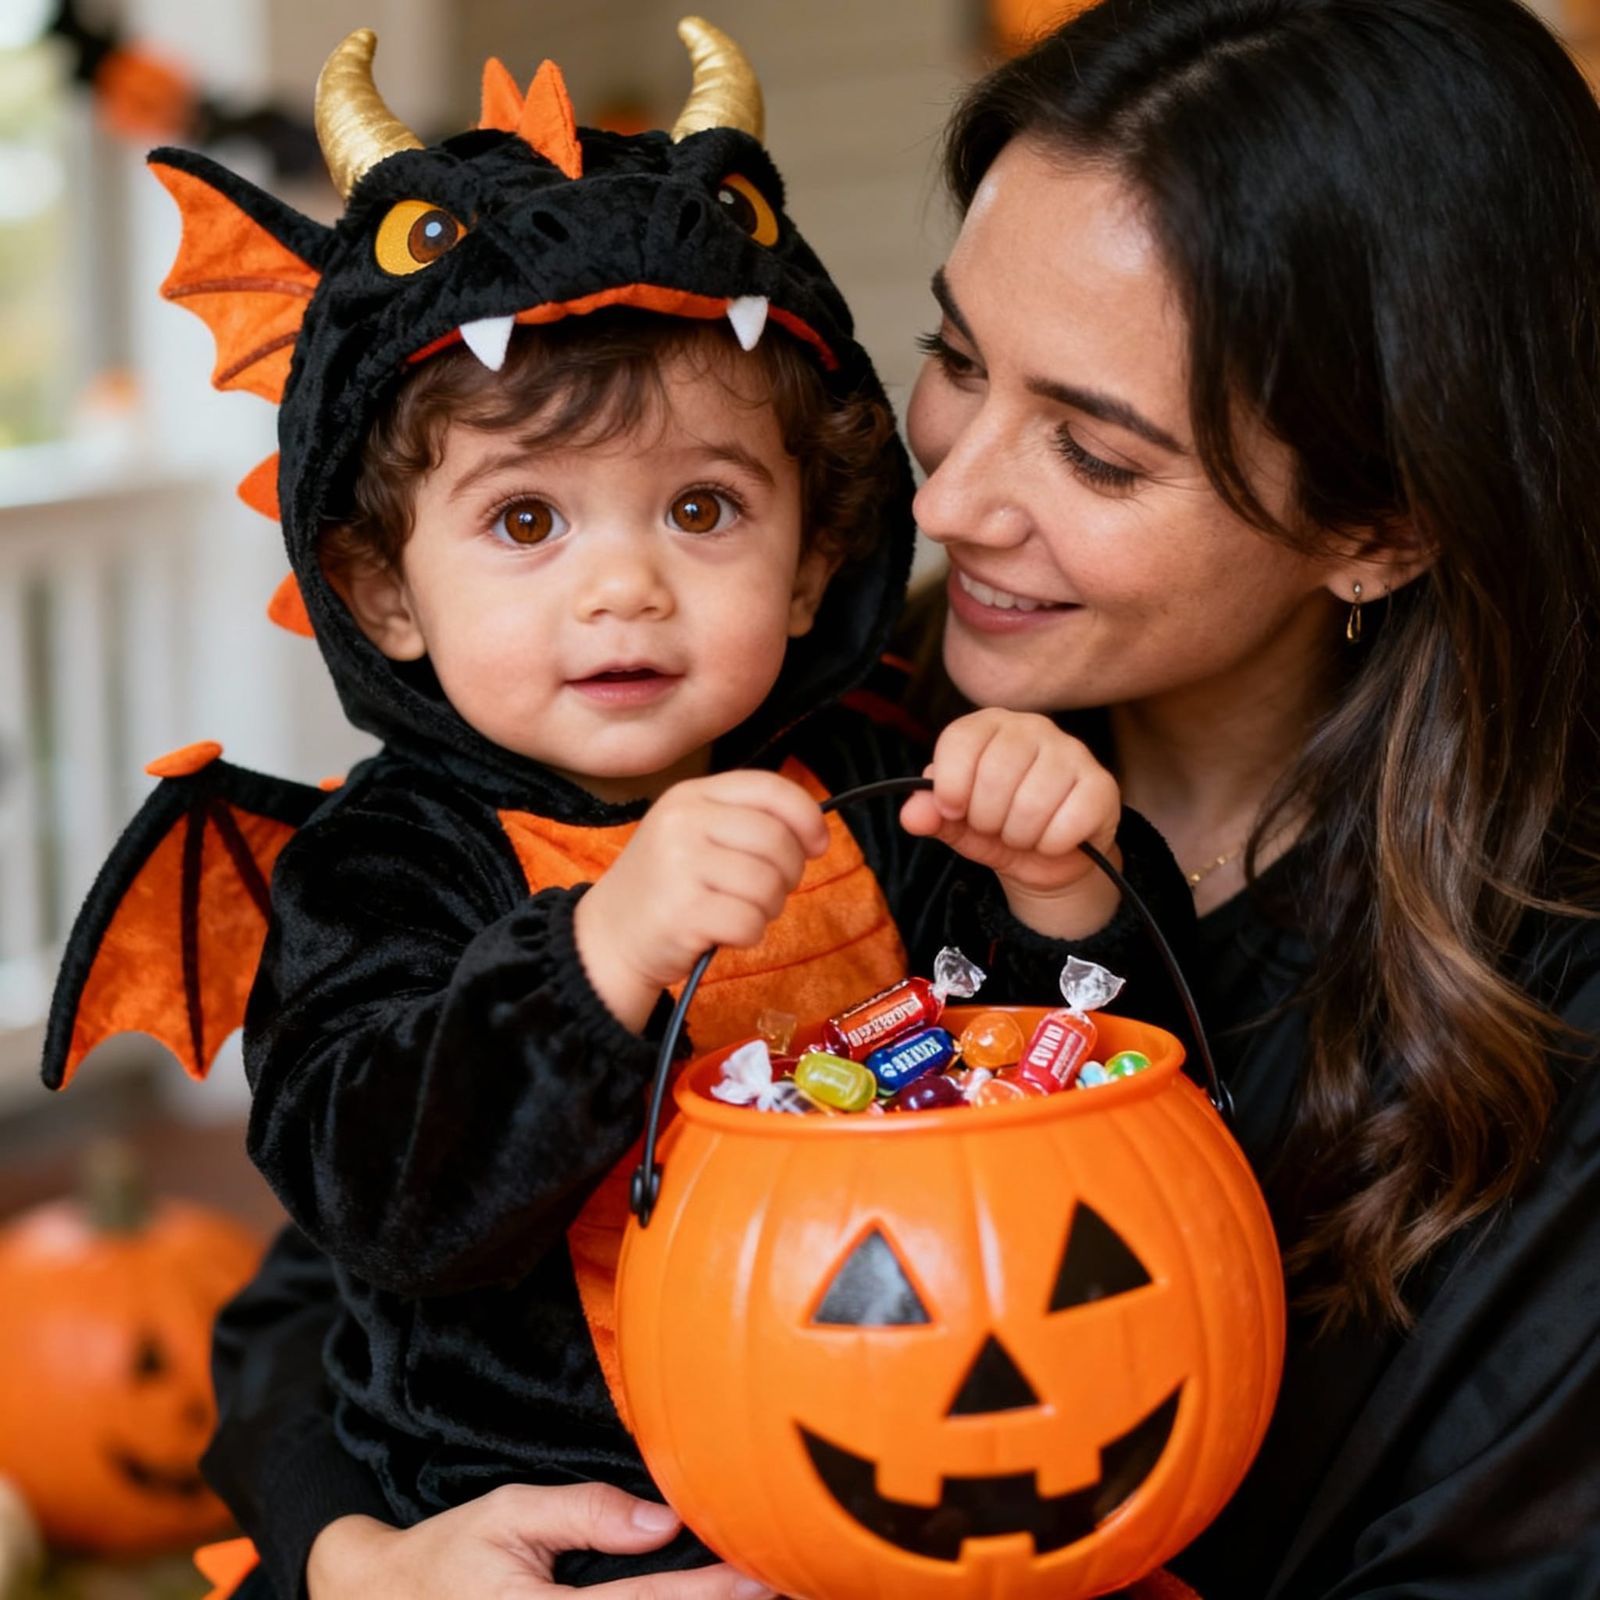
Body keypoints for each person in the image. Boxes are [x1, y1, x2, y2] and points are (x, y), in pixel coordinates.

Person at [201, 0, 1600, 1596]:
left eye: (1095, 454)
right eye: (954, 359)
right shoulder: (815, 748)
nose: (943, 496)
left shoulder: (1549, 1025)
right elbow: (318, 1288)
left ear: (1386, 524)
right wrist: (359, 1561)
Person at [98, 19, 1163, 1600]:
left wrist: (1068, 892)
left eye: (703, 508)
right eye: (525, 518)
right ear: (383, 589)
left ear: (810, 562)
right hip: (552, 1541)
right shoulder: (381, 861)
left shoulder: (883, 792)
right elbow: (376, 1203)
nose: (622, 586)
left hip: (910, 1477)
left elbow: (1066, 1105)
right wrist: (597, 951)